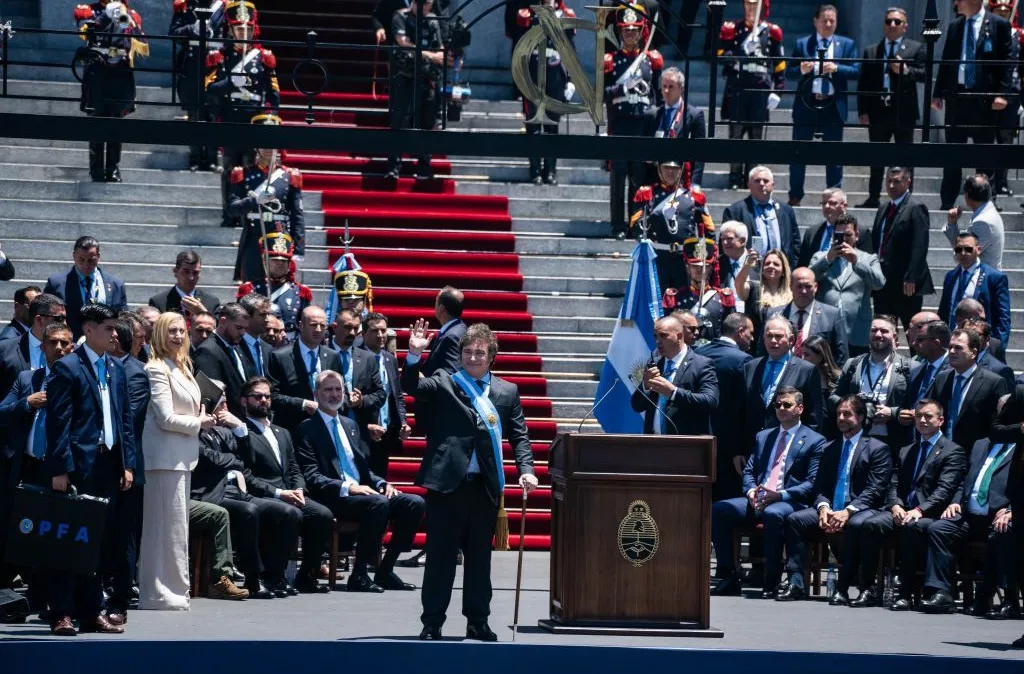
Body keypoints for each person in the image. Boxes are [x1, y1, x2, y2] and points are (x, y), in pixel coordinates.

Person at [402, 322, 538, 641]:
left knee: (479, 560)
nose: (473, 357)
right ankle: (432, 621)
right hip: (447, 485)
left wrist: (527, 469)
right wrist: (412, 355)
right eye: (468, 351)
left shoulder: (507, 391)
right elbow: (411, 387)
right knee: (440, 558)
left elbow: (520, 436)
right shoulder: (445, 382)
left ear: (492, 356)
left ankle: (478, 621)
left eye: (480, 352)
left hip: (484, 488)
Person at [45, 304, 137, 636]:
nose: (115, 334)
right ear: (88, 329)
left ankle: (91, 609)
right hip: (78, 466)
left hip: (108, 465)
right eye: (108, 328)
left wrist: (127, 464)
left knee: (98, 543)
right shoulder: (67, 368)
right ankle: (61, 612)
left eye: (115, 328)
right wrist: (60, 469)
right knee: (71, 542)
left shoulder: (116, 368)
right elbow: (59, 424)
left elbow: (125, 421)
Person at [295, 370, 425, 592]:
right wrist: (349, 487)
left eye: (338, 389)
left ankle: (385, 570)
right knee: (378, 504)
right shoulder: (306, 429)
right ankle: (360, 574)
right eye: (328, 390)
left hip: (362, 493)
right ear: (316, 394)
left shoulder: (350, 425)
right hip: (334, 496)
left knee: (413, 503)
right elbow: (312, 476)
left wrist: (382, 483)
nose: (334, 394)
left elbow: (362, 468)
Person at [711, 386, 827, 596]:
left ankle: (771, 579)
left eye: (787, 405)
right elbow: (749, 471)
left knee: (773, 513)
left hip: (789, 500)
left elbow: (811, 483)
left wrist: (779, 495)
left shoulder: (814, 440)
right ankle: (727, 575)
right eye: (777, 405)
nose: (781, 408)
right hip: (758, 497)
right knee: (719, 510)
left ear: (800, 408)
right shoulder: (764, 436)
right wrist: (751, 492)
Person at [778, 396, 893, 602]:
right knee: (796, 520)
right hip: (832, 508)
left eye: (847, 414)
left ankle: (858, 587)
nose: (841, 418)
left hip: (862, 508)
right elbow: (819, 487)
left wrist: (848, 511)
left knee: (857, 524)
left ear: (860, 417)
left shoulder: (877, 448)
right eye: (838, 414)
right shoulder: (829, 448)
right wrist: (823, 508)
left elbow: (875, 490)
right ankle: (795, 583)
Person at [856, 399, 966, 609]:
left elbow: (945, 490)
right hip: (903, 509)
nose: (922, 420)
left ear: (940, 420)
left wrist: (919, 510)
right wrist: (895, 505)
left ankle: (905, 593)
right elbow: (894, 482)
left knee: (912, 528)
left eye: (928, 416)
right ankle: (868, 588)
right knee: (871, 525)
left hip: (930, 513)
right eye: (918, 416)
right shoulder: (907, 449)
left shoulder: (952, 451)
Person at [138, 312, 215, 610]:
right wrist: (200, 423)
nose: (178, 337)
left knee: (176, 529)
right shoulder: (156, 368)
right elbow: (165, 417)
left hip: (182, 458)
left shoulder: (183, 367)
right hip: (163, 459)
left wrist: (205, 415)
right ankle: (157, 592)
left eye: (181, 331)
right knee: (161, 529)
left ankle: (175, 589)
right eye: (171, 331)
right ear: (158, 334)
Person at [192, 404, 301, 599]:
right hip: (214, 494)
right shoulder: (194, 433)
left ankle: (274, 575)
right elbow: (211, 459)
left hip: (238, 491)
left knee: (288, 513)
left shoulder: (222, 433)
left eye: (227, 404)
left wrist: (240, 428)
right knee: (249, 511)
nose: (226, 408)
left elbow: (247, 460)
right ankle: (253, 578)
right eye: (221, 404)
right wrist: (233, 460)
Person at [0, 322, 74, 607]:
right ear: (42, 347)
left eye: (64, 343)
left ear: (72, 348)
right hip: (27, 467)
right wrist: (26, 403)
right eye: (53, 342)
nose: (58, 348)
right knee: (20, 532)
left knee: (54, 537)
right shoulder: (27, 378)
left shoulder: (78, 379)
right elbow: (2, 413)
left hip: (58, 469)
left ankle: (48, 598)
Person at [237, 376, 334, 594]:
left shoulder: (282, 433)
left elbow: (294, 469)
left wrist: (299, 489)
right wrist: (279, 493)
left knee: (322, 515)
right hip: (264, 494)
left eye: (267, 396)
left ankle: (306, 576)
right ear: (244, 401)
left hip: (290, 492)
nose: (263, 400)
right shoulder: (242, 433)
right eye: (257, 396)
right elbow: (246, 475)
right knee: (290, 514)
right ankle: (274, 576)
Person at [919, 416, 1017, 613]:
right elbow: (965, 481)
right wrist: (955, 502)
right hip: (970, 515)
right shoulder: (981, 444)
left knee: (1001, 533)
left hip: (1000, 514)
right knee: (938, 529)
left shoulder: (1020, 447)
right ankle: (942, 593)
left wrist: (1011, 510)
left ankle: (1007, 599)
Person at [933, 0, 1013, 209]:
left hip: (984, 100)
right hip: (957, 98)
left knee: (984, 153)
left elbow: (1006, 62)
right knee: (952, 154)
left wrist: (1002, 94)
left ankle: (987, 200)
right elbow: (947, 60)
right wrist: (937, 93)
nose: (956, 3)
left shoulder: (998, 25)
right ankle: (947, 201)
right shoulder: (955, 26)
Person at [786, 4, 859, 206]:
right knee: (799, 152)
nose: (828, 24)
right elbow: (788, 72)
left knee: (834, 155)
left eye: (832, 21)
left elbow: (856, 71)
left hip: (833, 106)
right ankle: (795, 195)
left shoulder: (846, 44)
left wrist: (837, 68)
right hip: (807, 104)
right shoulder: (803, 44)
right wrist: (801, 69)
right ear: (815, 21)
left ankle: (834, 197)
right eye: (824, 20)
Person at [855, 7, 926, 208]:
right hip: (878, 110)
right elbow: (864, 84)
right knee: (877, 156)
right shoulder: (872, 50)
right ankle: (873, 196)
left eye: (897, 22)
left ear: (905, 26)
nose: (892, 25)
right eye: (888, 21)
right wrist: (863, 111)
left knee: (905, 156)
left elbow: (923, 73)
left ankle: (906, 198)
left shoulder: (915, 48)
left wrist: (905, 70)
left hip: (903, 111)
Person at [103, 318, 149, 619]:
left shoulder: (136, 373)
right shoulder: (94, 368)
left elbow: (127, 421)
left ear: (116, 340)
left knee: (123, 538)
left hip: (125, 468)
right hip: (96, 467)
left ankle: (120, 598)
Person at [605, 3, 663, 239]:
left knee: (639, 179)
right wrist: (621, 88)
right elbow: (603, 94)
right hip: (620, 124)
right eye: (626, 31)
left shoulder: (652, 60)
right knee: (619, 177)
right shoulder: (611, 60)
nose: (630, 35)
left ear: (642, 32)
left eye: (634, 30)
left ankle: (636, 223)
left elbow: (657, 97)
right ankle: (618, 224)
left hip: (643, 125)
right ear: (620, 32)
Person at [73, 0, 148, 182]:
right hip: (98, 73)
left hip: (120, 74)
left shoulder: (131, 13)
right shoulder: (89, 10)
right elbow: (84, 33)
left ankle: (113, 168)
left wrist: (129, 22)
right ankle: (96, 168)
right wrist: (106, 17)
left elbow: (142, 43)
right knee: (97, 121)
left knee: (116, 122)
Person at [717, 0, 784, 190]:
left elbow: (779, 63)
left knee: (756, 137)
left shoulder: (771, 32)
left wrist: (777, 90)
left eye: (755, 6)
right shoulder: (734, 29)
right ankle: (734, 177)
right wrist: (740, 52)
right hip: (738, 87)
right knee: (735, 135)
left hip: (760, 89)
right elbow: (721, 54)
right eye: (748, 5)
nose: (751, 9)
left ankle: (752, 177)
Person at [227, 125, 306, 282]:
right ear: (257, 147)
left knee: (279, 284)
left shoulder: (289, 176)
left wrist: (298, 248)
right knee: (251, 286)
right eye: (265, 143)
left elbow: (297, 215)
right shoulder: (243, 174)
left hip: (279, 238)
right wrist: (254, 200)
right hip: (253, 237)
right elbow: (232, 209)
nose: (269, 148)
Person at [516, 0, 576, 185]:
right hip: (533, 76)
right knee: (533, 125)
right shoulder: (529, 15)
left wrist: (571, 81)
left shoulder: (565, 17)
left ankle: (550, 170)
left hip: (555, 77)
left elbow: (570, 50)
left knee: (551, 126)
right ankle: (535, 170)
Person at [384, 0, 445, 181]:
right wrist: (429, 55)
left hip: (426, 77)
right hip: (405, 74)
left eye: (428, 5)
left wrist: (433, 56)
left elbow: (440, 50)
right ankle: (394, 166)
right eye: (423, 4)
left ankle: (424, 164)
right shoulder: (400, 17)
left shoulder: (432, 21)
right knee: (399, 119)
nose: (425, 8)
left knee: (427, 119)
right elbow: (402, 42)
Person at [808, 213, 886, 355]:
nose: (843, 240)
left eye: (848, 235)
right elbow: (807, 279)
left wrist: (857, 262)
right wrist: (827, 259)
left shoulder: (868, 258)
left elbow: (879, 283)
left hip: (857, 330)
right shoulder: (820, 257)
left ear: (857, 235)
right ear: (833, 235)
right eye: (839, 235)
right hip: (825, 329)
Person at [831, 316, 914, 449]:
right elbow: (834, 396)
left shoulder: (910, 367)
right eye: (874, 330)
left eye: (884, 331)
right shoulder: (853, 364)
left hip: (893, 439)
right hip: (856, 437)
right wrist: (853, 406)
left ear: (894, 336)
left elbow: (917, 405)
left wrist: (892, 413)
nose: (878, 334)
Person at [697, 313, 755, 500]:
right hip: (729, 445)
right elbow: (744, 407)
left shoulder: (698, 353)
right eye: (751, 333)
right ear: (740, 331)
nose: (752, 339)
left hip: (698, 437)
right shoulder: (743, 360)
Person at [870, 167, 934, 334]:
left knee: (912, 332)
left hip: (906, 285)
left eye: (897, 181)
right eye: (888, 181)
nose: (891, 185)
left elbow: (919, 245)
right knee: (883, 331)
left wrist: (911, 276)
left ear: (908, 182)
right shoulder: (883, 208)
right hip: (883, 283)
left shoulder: (916, 207)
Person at [631, 314, 719, 435]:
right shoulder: (654, 364)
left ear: (679, 336)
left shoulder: (702, 364)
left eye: (663, 336)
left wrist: (674, 393)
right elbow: (637, 406)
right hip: (653, 444)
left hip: (685, 445)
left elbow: (710, 401)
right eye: (656, 336)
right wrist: (645, 386)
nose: (658, 341)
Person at [743, 316, 825, 446]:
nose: (773, 341)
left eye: (778, 336)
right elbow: (741, 411)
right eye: (769, 336)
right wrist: (738, 450)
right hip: (753, 447)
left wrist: (805, 449)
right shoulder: (751, 367)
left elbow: (814, 416)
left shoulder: (806, 370)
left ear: (791, 340)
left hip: (790, 446)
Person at [926, 327, 1009, 451]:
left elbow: (999, 425)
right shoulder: (942, 378)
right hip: (940, 453)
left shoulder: (994, 382)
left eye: (958, 348)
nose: (952, 351)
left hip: (973, 455)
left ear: (973, 353)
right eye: (950, 347)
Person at [168, 0, 225, 172]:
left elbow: (232, 36)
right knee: (194, 114)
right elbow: (173, 33)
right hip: (192, 66)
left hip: (215, 66)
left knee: (213, 115)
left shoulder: (225, 7)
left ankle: (212, 158)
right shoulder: (184, 5)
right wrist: (190, 30)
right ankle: (195, 157)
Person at [267, 305, 341, 433]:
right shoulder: (280, 356)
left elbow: (340, 390)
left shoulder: (332, 356)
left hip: (325, 428)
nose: (318, 330)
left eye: (322, 326)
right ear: (301, 326)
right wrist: (302, 404)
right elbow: (272, 396)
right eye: (313, 325)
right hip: (293, 427)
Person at [44, 236, 128, 340]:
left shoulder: (116, 285)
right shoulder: (56, 284)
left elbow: (123, 318)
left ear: (98, 257)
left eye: (91, 260)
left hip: (107, 344)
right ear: (74, 256)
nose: (86, 265)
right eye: (81, 259)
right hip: (71, 344)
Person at [236, 232, 313, 342]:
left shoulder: (300, 292)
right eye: (275, 260)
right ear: (265, 262)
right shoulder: (250, 290)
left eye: (284, 261)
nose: (280, 263)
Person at [765, 266, 849, 364]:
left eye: (808, 286)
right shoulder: (773, 315)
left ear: (815, 287)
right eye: (799, 286)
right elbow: (762, 352)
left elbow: (842, 356)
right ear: (790, 286)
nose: (804, 291)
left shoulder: (832, 315)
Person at [938, 232, 1011, 345]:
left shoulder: (994, 277)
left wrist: (998, 347)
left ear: (978, 250)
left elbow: (1003, 317)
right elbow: (944, 311)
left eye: (968, 249)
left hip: (979, 343)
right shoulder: (950, 276)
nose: (963, 253)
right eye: (958, 249)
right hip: (952, 341)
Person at [362, 312, 410, 478]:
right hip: (364, 431)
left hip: (386, 431)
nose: (380, 335)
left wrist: (403, 421)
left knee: (381, 478)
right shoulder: (356, 357)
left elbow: (397, 395)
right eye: (375, 331)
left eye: (383, 330)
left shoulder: (390, 359)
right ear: (363, 334)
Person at [721, 166, 801, 268]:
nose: (762, 184)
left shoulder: (786, 210)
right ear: (749, 185)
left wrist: (791, 267)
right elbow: (726, 245)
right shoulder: (735, 211)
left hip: (780, 272)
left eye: (765, 181)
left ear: (773, 185)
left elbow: (795, 244)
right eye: (757, 181)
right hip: (747, 272)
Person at [663, 236, 736, 342]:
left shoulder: (724, 297)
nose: (700, 270)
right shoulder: (674, 298)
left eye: (704, 266)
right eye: (694, 266)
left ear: (711, 268)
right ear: (688, 267)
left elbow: (730, 332)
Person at [644, 68, 706, 186]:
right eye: (664, 86)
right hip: (654, 179)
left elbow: (700, 153)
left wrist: (695, 183)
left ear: (681, 89)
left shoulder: (694, 115)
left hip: (682, 178)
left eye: (671, 87)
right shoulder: (652, 115)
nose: (666, 90)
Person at [193, 302, 256, 418]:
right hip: (226, 424)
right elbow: (212, 397)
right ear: (222, 322)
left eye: (245, 328)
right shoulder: (208, 351)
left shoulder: (237, 345)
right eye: (238, 327)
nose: (243, 333)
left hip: (244, 421)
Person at [0, 294, 66, 399]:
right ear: (39, 320)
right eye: (59, 319)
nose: (65, 324)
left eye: (65, 318)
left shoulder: (74, 351)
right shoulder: (4, 351)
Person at [330, 309, 386, 429]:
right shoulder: (321, 355)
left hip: (360, 431)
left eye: (356, 328)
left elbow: (380, 394)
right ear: (334, 327)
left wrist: (361, 401)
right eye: (347, 327)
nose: (352, 332)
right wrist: (346, 401)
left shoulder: (368, 358)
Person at [944, 174, 1006, 269]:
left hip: (983, 280)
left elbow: (962, 255)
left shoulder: (983, 222)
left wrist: (952, 224)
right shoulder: (988, 212)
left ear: (967, 195)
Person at [736, 247, 792, 346]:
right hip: (755, 347)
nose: (771, 266)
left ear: (783, 270)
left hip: (783, 346)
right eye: (767, 263)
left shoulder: (791, 293)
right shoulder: (754, 288)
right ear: (762, 269)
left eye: (776, 264)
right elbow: (739, 285)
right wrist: (748, 264)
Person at [148, 249, 222, 318]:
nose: (191, 277)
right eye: (186, 272)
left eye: (195, 272)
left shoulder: (212, 302)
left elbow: (218, 329)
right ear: (175, 271)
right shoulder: (158, 302)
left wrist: (203, 313)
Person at [901, 320, 953, 418]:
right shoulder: (915, 371)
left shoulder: (953, 371)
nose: (913, 343)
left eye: (920, 340)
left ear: (936, 343)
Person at [420, 286, 468, 376]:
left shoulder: (452, 337)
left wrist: (424, 380)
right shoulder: (457, 330)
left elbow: (451, 377)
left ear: (441, 308)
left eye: (436, 301)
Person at [962, 318, 1013, 388]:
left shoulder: (999, 370)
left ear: (987, 339)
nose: (970, 338)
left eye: (976, 334)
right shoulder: (952, 363)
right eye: (967, 333)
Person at [237, 292, 273, 378]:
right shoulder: (234, 346)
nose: (268, 319)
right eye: (262, 315)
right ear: (246, 316)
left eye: (269, 314)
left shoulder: (268, 349)